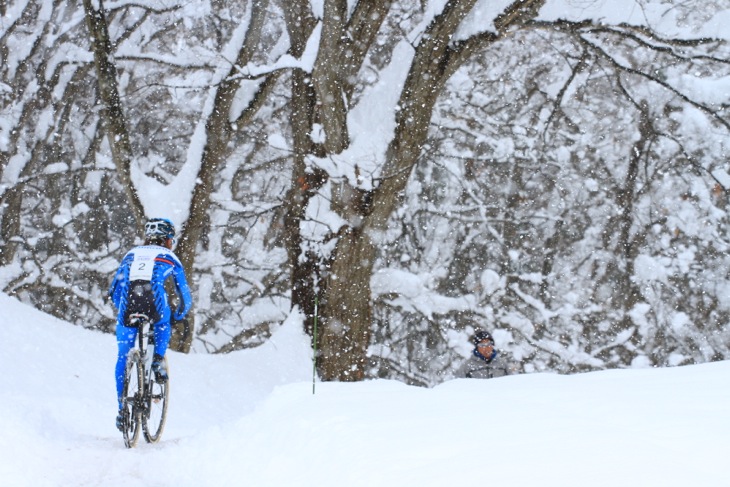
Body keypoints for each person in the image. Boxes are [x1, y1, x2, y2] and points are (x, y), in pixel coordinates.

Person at [108, 217, 192, 431]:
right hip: (154, 305)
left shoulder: (130, 255)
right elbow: (185, 296)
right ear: (168, 241)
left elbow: (114, 291)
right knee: (163, 322)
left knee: (122, 356)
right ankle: (156, 360)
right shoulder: (169, 257)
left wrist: (123, 311)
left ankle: (121, 409)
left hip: (128, 306)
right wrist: (179, 315)